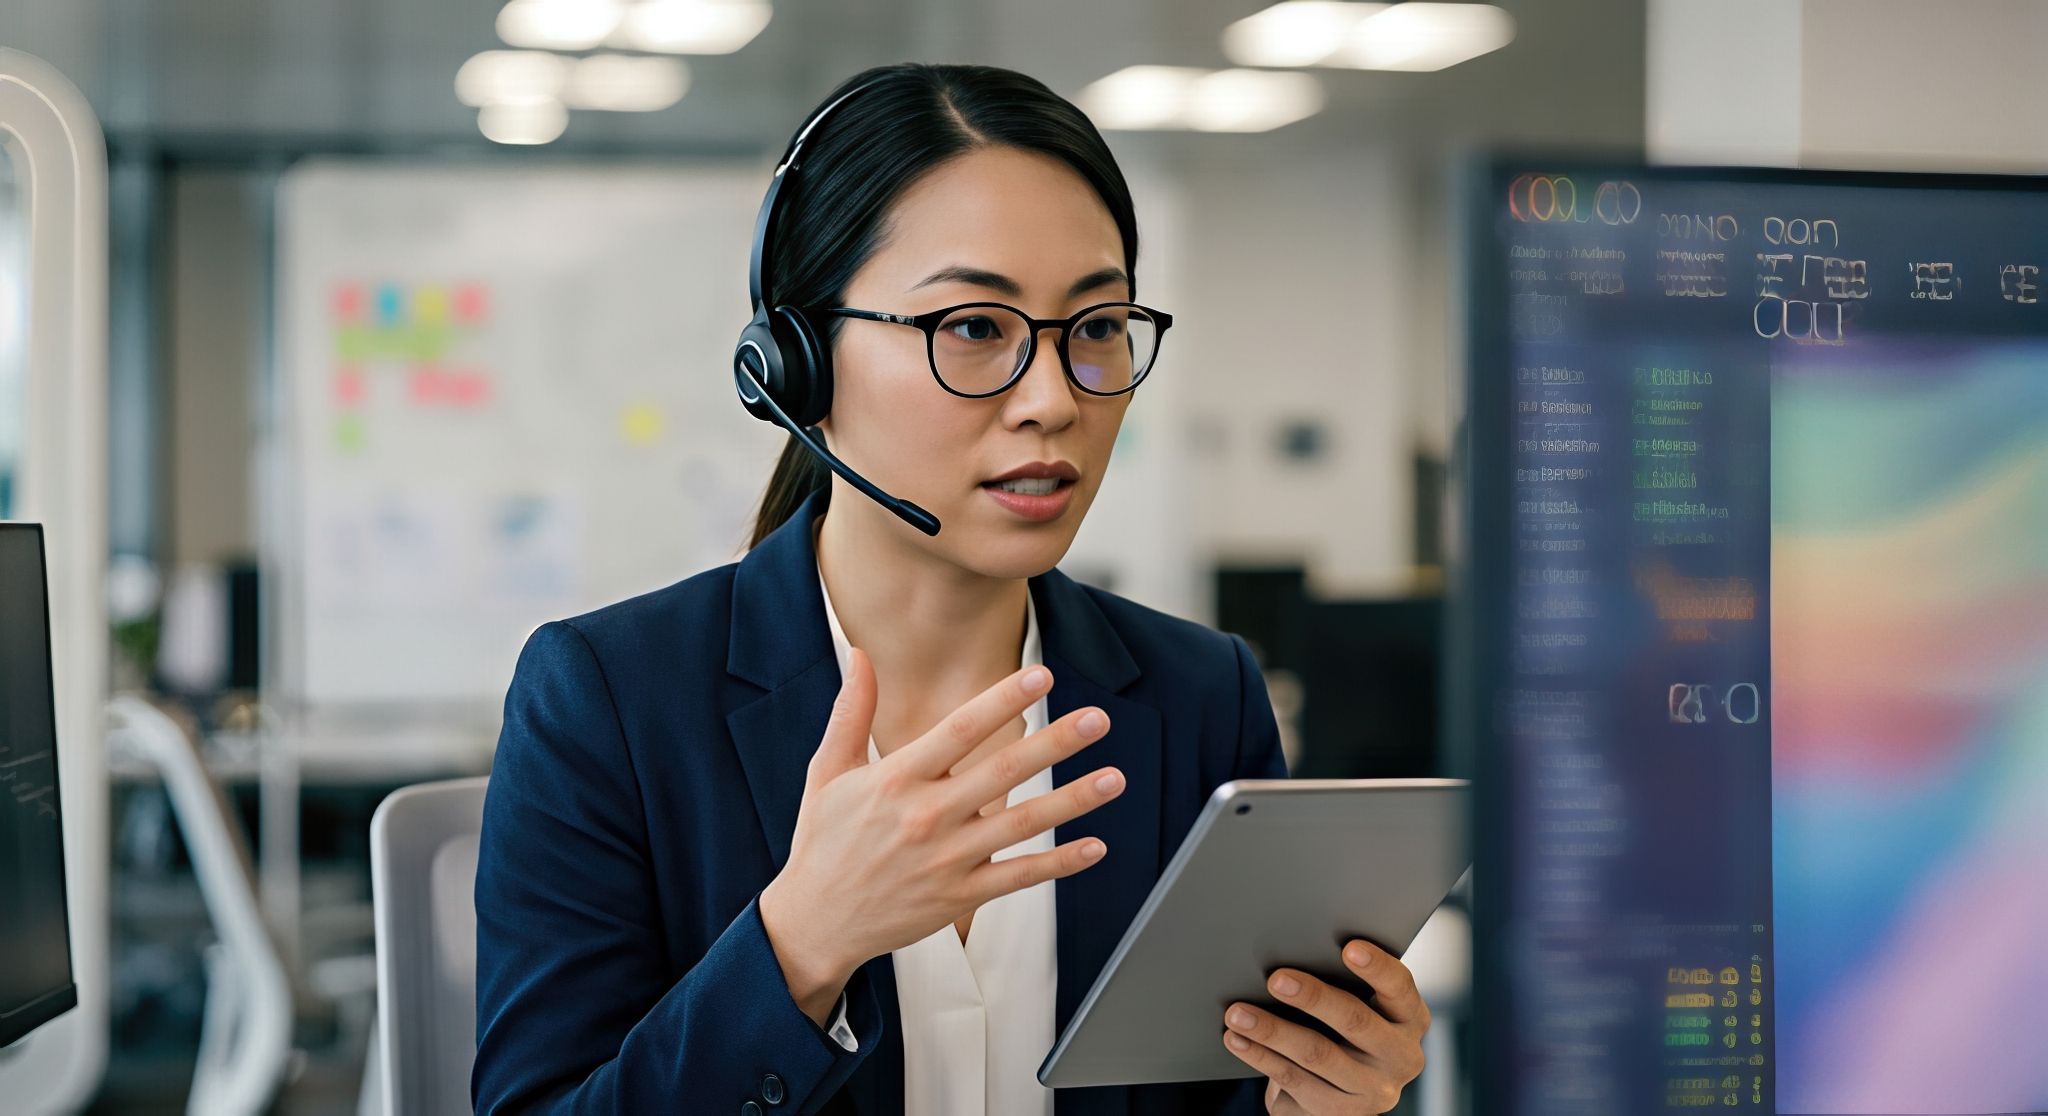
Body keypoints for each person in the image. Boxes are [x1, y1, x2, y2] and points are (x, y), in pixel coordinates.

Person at [471, 63, 1429, 1116]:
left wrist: (1318, 1100)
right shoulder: (608, 702)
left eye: (1097, 327)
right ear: (797, 366)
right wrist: (801, 944)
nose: (1052, 400)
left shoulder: (1201, 697)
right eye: (974, 327)